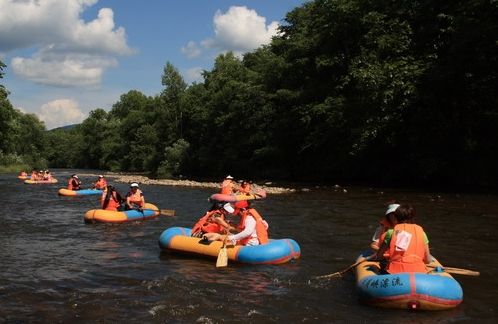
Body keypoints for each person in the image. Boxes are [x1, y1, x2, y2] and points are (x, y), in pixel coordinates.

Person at [373, 204, 433, 274]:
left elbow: (379, 256)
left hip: (394, 273)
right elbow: (428, 260)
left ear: (397, 217)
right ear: (413, 217)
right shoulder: (422, 233)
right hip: (419, 274)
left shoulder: (391, 232)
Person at [204, 201, 269, 246]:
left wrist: (232, 237)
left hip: (250, 242)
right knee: (219, 235)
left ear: (242, 209)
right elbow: (265, 226)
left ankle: (206, 244)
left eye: (237, 210)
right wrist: (234, 227)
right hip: (252, 240)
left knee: (217, 236)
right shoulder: (251, 215)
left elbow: (248, 232)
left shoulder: (249, 218)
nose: (237, 213)